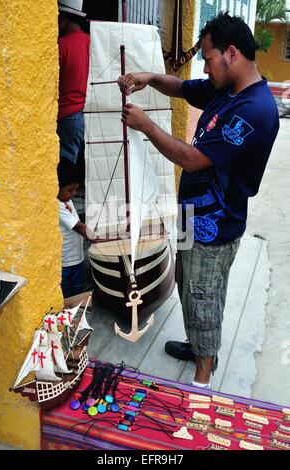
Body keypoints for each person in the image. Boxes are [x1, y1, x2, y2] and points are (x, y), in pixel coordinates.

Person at [118, 12, 279, 389]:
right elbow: (181, 88)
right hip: (192, 215)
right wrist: (150, 78)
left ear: (232, 53)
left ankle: (202, 383)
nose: (204, 67)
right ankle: (197, 347)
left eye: (207, 58)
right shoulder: (227, 88)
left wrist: (146, 125)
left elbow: (192, 158)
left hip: (215, 226)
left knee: (204, 298)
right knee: (189, 288)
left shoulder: (253, 109)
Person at [57, 0, 90, 165]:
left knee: (66, 168)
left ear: (62, 18)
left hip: (66, 115)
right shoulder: (91, 42)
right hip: (87, 114)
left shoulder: (61, 45)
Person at [57, 159, 91, 298]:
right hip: (65, 261)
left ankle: (76, 307)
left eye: (76, 189)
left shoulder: (67, 200)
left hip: (76, 257)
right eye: (70, 190)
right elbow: (79, 227)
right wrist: (98, 238)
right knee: (65, 293)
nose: (74, 193)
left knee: (77, 288)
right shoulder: (58, 206)